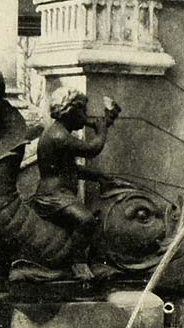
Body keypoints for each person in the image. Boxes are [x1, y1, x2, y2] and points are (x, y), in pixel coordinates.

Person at [30, 87, 121, 236]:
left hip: (58, 195)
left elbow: (70, 168)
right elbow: (92, 150)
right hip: (53, 197)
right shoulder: (59, 136)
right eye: (83, 111)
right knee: (87, 222)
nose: (86, 116)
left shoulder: (58, 131)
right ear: (71, 111)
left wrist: (99, 176)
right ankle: (72, 257)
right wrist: (102, 130)